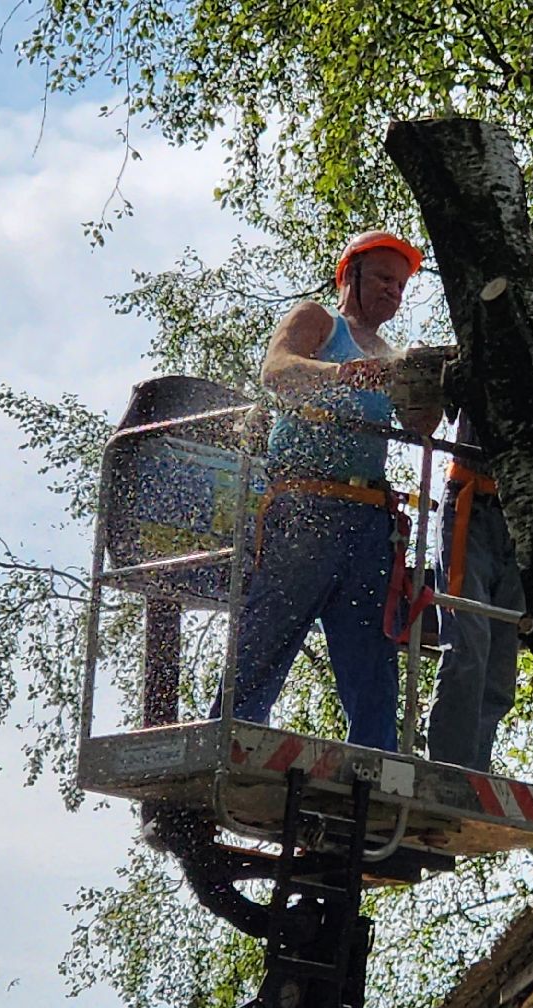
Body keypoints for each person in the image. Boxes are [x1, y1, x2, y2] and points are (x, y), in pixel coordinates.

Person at [216, 229, 439, 750]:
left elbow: (423, 426)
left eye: (402, 285)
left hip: (367, 519)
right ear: (350, 276)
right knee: (268, 633)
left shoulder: (393, 357)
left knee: (372, 654)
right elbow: (277, 370)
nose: (394, 292)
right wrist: (342, 374)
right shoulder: (319, 321)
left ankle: (377, 761)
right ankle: (233, 735)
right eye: (384, 278)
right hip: (306, 504)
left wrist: (430, 384)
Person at [426, 247, 533, 771]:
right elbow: (441, 397)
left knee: (498, 663)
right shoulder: (487, 351)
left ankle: (473, 769)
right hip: (471, 506)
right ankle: (449, 767)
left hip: (521, 523)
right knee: (467, 643)